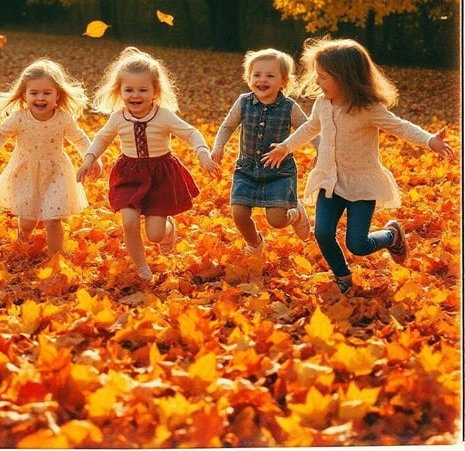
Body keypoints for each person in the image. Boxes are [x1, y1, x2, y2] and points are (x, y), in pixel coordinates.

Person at [262, 37, 455, 294]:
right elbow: (310, 127)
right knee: (322, 233)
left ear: (344, 77)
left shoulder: (367, 109)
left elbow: (400, 126)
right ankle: (343, 277)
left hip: (361, 185)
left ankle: (391, 236)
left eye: (323, 77)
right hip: (329, 182)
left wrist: (430, 141)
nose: (317, 82)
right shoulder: (322, 103)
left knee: (358, 244)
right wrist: (286, 146)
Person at [76, 46, 218, 281]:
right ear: (119, 91)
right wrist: (90, 159)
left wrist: (202, 153)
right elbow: (102, 138)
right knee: (129, 220)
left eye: (143, 90)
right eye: (129, 90)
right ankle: (141, 265)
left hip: (160, 175)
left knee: (155, 234)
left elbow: (191, 133)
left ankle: (168, 230)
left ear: (155, 91)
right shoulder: (118, 118)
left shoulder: (163, 115)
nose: (135, 95)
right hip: (129, 174)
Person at [0, 59, 99, 256]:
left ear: (57, 95)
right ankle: (23, 237)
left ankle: (55, 258)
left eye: (46, 93)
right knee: (28, 221)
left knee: (53, 218)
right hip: (26, 172)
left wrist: (91, 158)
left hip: (56, 172)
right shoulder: (20, 118)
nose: (40, 98)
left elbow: (79, 138)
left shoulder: (63, 118)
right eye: (34, 93)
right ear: (25, 95)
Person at [211, 48, 315, 257]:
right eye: (256, 75)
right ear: (249, 78)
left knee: (276, 221)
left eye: (270, 75)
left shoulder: (289, 107)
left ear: (283, 82)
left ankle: (296, 214)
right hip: (247, 169)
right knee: (239, 213)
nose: (262, 80)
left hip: (279, 172)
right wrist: (218, 145)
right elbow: (227, 126)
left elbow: (309, 128)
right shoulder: (243, 102)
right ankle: (255, 242)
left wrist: (321, 151)